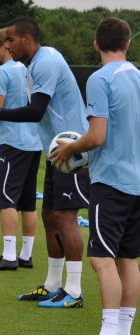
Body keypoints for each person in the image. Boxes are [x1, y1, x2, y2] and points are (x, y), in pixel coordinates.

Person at [0, 17, 89, 308]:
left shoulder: (46, 61)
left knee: (67, 218)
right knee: (50, 216)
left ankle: (75, 291)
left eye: (10, 41)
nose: (6, 46)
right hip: (57, 151)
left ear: (27, 39)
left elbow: (35, 111)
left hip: (73, 150)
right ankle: (54, 285)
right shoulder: (34, 64)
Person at [51, 17, 140, 332]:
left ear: (96, 44)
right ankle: (123, 330)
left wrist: (71, 150)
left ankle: (109, 330)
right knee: (128, 260)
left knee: (102, 260)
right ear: (128, 43)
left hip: (111, 183)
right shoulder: (138, 77)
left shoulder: (101, 79)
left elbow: (98, 135)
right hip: (136, 182)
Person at [0, 28, 42, 271]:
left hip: (14, 143)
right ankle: (26, 255)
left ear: (5, 44)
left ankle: (9, 255)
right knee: (28, 202)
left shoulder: (1, 72)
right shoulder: (29, 69)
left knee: (7, 200)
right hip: (34, 142)